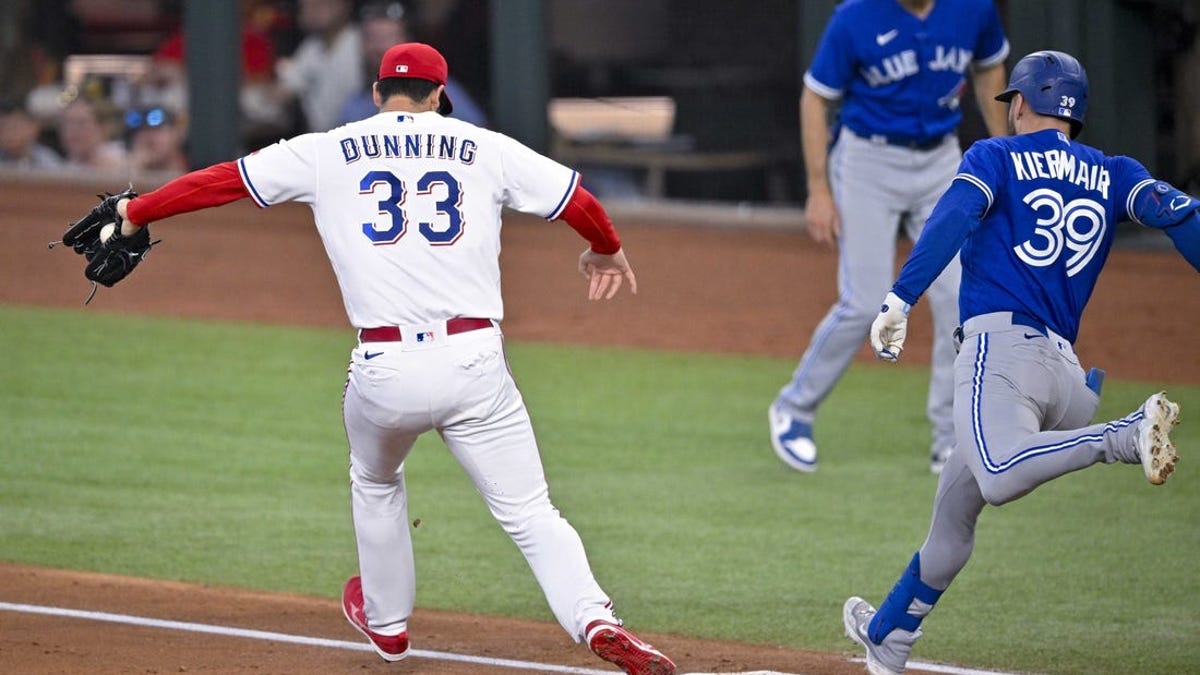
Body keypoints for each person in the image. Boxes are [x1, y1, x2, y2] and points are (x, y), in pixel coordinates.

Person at [97, 42, 676, 675]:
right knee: (533, 513)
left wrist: (135, 212)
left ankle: (389, 625)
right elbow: (582, 203)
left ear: (377, 94)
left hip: (383, 368)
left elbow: (220, 183)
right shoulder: (484, 146)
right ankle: (596, 620)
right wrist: (606, 247)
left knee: (375, 481)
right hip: (475, 361)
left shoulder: (326, 149)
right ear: (439, 97)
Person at [842, 50, 1199, 675]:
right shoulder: (1116, 172)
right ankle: (888, 635)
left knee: (1001, 472)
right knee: (954, 513)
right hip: (1064, 381)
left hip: (1001, 362)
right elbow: (1184, 218)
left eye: (1011, 102)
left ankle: (1122, 435)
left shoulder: (994, 157)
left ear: (1023, 104)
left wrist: (899, 298)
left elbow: (953, 215)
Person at [769, 0, 1010, 475]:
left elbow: (989, 68)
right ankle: (794, 408)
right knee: (863, 302)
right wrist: (819, 188)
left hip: (941, 159)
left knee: (958, 297)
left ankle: (950, 437)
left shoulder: (972, 9)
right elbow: (815, 99)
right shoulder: (855, 17)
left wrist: (1004, 152)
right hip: (867, 161)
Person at [336, 1, 487, 127]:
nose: (379, 47)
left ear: (407, 41)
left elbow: (482, 136)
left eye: (388, 37)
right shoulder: (354, 105)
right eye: (371, 38)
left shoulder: (440, 92)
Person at [276, 0, 363, 132]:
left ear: (344, 5)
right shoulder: (311, 47)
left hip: (361, 139)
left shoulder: (362, 43)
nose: (311, 10)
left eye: (320, 4)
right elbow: (283, 93)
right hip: (323, 140)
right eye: (307, 5)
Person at [57, 94, 127, 172]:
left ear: (102, 128)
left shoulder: (123, 165)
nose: (72, 130)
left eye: (81, 123)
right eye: (67, 123)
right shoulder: (65, 169)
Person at [0, 97, 63, 170]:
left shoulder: (48, 161)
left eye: (14, 127)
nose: (8, 134)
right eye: (2, 128)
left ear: (33, 127)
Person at [125, 106, 188, 175]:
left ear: (177, 132)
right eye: (142, 132)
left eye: (157, 130)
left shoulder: (195, 168)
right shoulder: (126, 170)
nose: (148, 138)